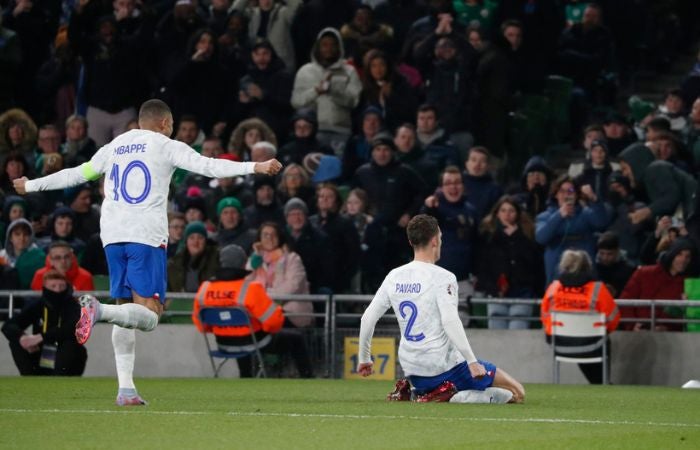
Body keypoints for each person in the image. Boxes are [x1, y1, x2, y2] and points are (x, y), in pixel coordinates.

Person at [13, 99, 282, 406]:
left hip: (112, 237)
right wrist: (255, 166)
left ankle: (125, 389)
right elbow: (209, 165)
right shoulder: (165, 144)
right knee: (151, 316)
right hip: (145, 236)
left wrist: (31, 184)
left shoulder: (115, 146)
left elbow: (76, 174)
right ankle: (98, 311)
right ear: (165, 124)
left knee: (126, 310)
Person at [357, 214, 525, 404]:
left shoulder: (394, 276)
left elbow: (367, 318)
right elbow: (450, 321)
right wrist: (471, 361)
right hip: (445, 368)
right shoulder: (443, 277)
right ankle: (451, 395)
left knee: (490, 386)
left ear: (411, 241)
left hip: (413, 370)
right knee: (517, 393)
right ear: (435, 240)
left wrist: (364, 359)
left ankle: (418, 391)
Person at [191, 244, 312, 378]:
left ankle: (246, 376)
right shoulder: (251, 289)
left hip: (224, 344)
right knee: (296, 339)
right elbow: (275, 322)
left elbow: (201, 325)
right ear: (243, 264)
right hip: (255, 343)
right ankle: (307, 378)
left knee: (243, 336)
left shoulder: (205, 288)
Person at [541, 250, 620, 384]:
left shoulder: (553, 288)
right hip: (593, 345)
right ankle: (603, 382)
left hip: (560, 344)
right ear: (588, 267)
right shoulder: (598, 289)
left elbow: (545, 317)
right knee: (602, 340)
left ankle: (600, 382)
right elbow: (614, 319)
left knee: (582, 346)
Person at [2, 270, 87, 376]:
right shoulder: (37, 305)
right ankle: (30, 379)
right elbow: (9, 325)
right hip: (39, 351)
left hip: (64, 354)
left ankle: (60, 378)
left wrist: (41, 337)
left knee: (71, 343)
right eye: (53, 286)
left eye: (61, 286)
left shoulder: (73, 306)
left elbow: (72, 328)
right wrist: (22, 337)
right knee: (16, 342)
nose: (58, 290)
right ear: (45, 287)